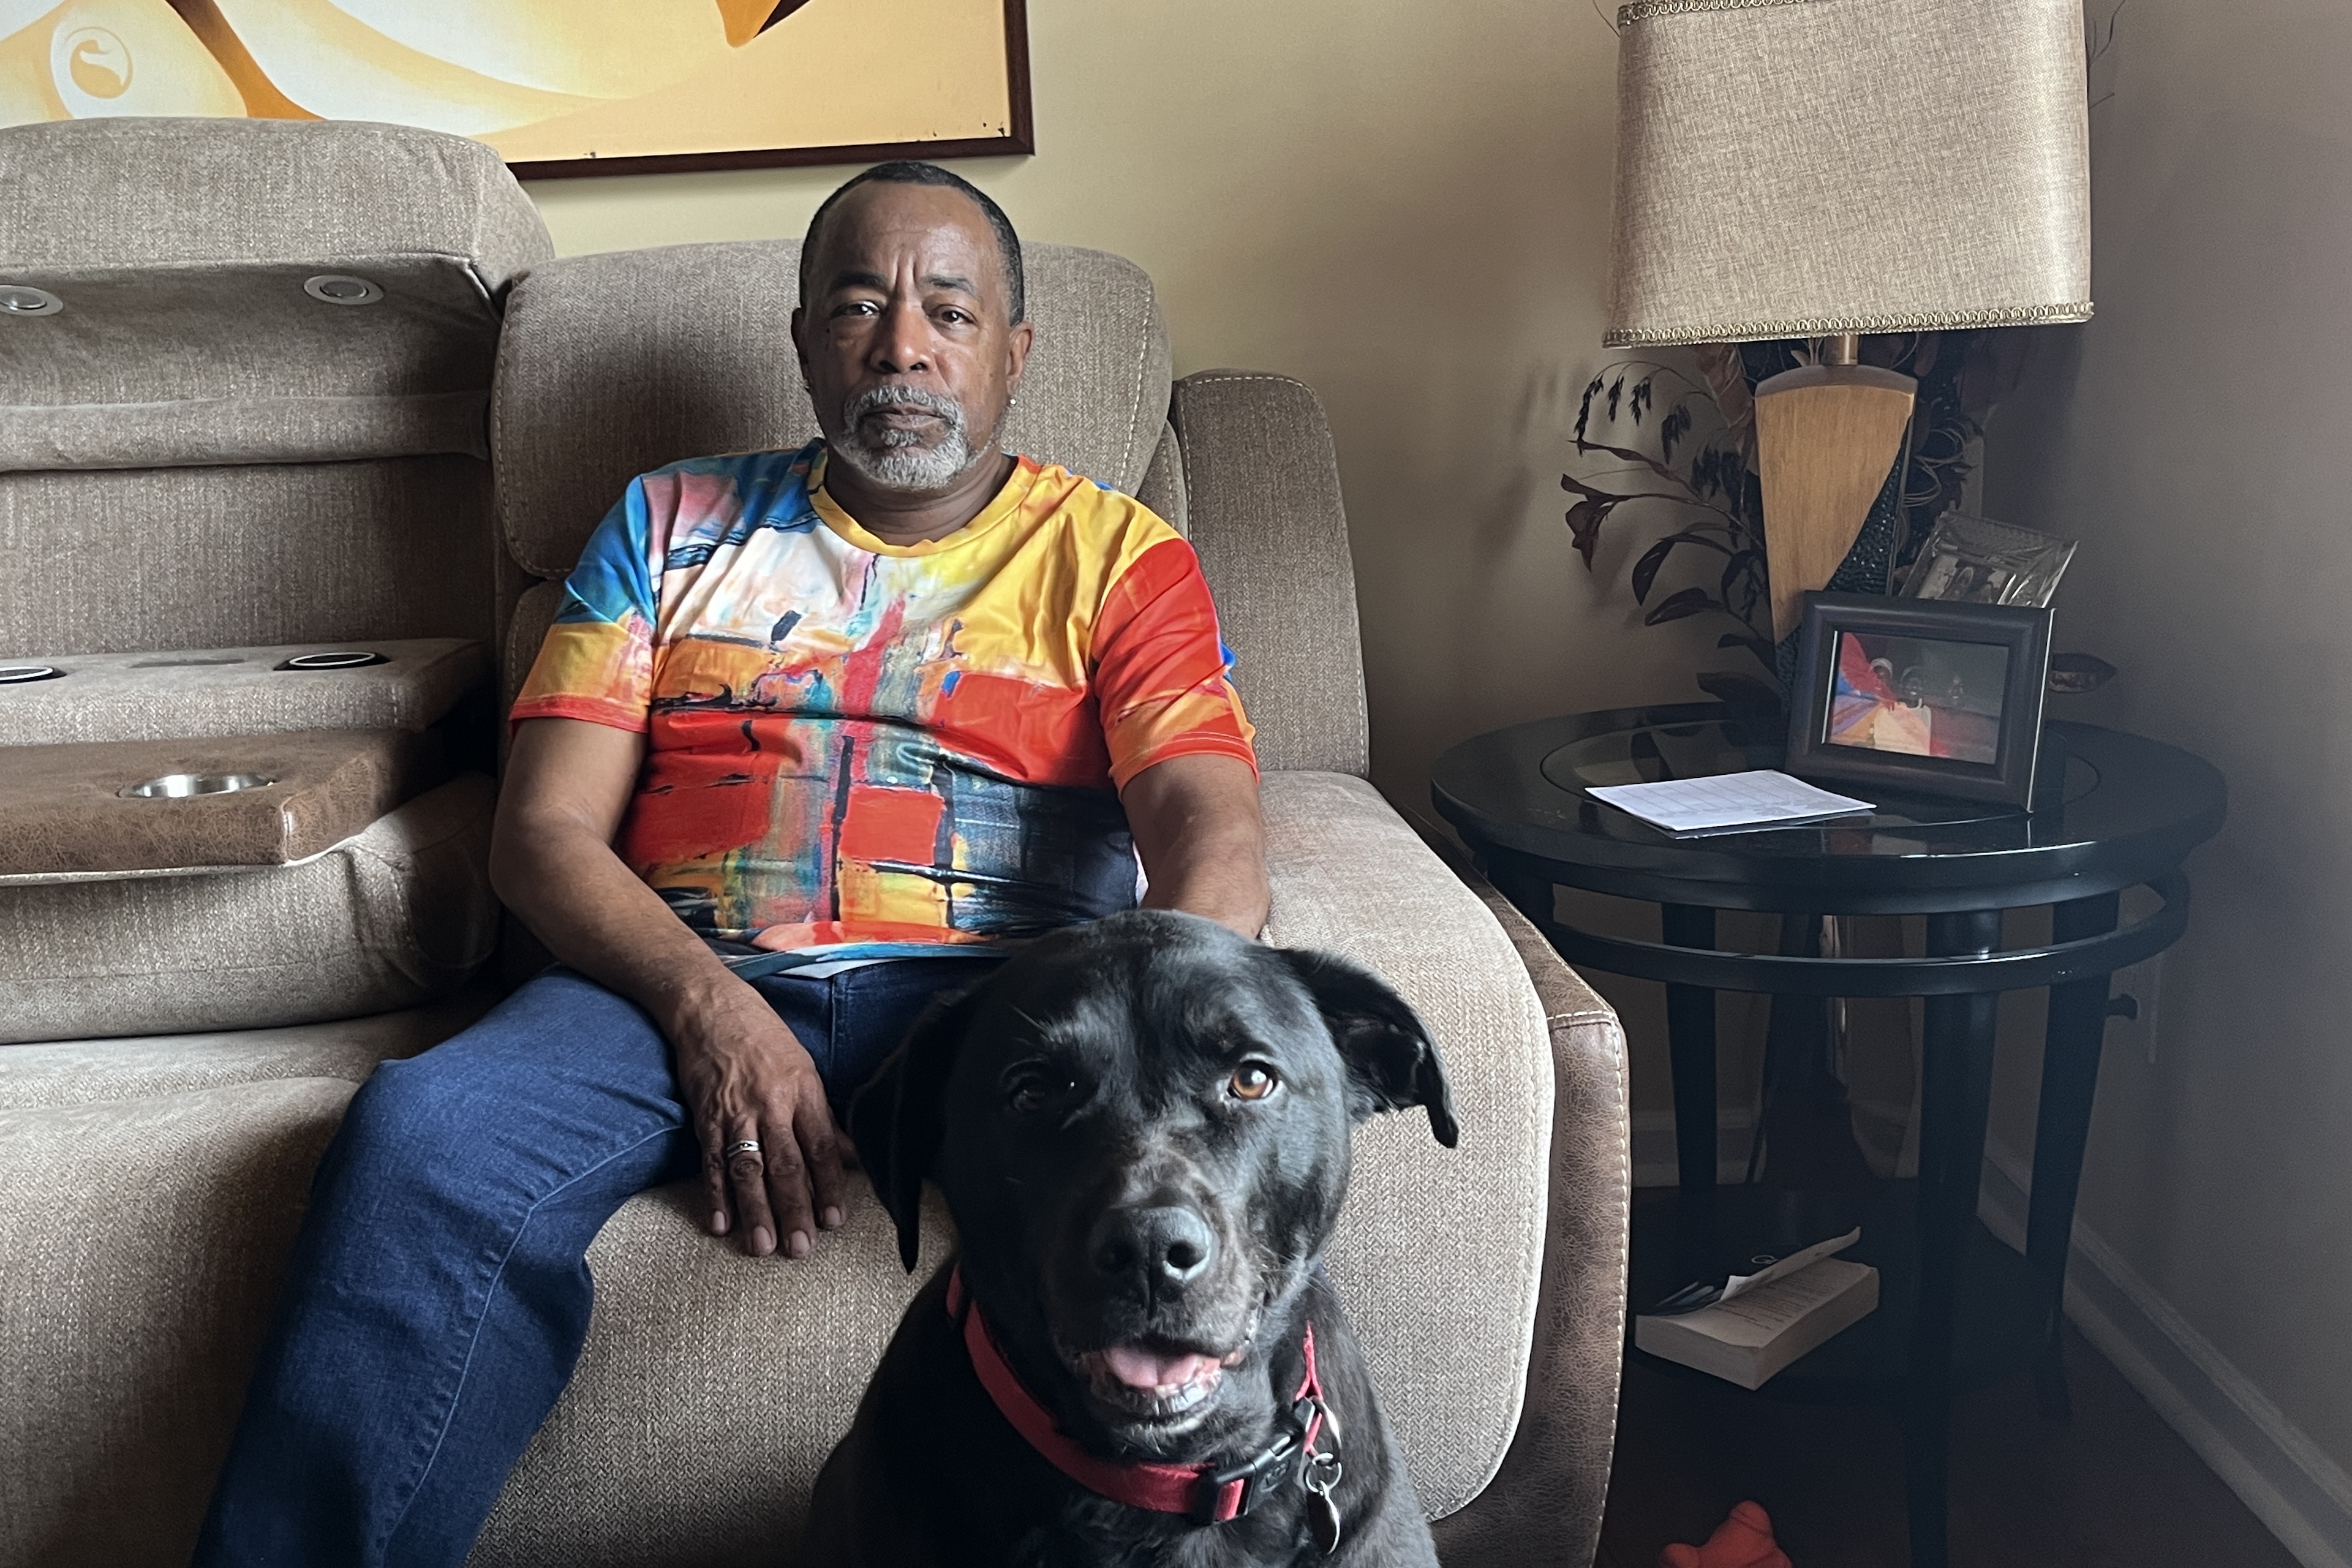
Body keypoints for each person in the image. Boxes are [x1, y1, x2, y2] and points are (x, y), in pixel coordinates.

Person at [193, 160, 1267, 1568]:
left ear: (1013, 352)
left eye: (948, 309)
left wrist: (1158, 1074)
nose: (902, 344)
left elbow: (1212, 831)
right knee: (425, 1139)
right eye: (859, 305)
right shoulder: (664, 523)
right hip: (667, 975)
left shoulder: (1121, 557)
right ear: (806, 337)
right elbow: (541, 833)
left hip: (997, 991)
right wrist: (713, 1009)